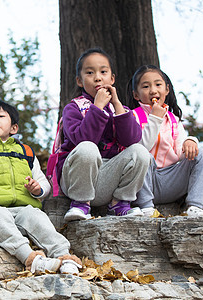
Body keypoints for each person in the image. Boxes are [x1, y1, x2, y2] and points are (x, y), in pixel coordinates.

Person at [0, 99, 82, 275]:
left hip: (21, 210)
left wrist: (37, 189)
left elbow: (43, 183)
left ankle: (64, 256)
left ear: (13, 128)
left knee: (35, 215)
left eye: (1, 116)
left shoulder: (25, 152)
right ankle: (31, 259)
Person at [57, 47, 151, 222]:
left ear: (112, 78)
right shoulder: (73, 108)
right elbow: (82, 140)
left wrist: (116, 105)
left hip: (106, 180)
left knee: (140, 151)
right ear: (80, 80)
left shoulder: (121, 110)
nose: (98, 77)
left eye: (103, 72)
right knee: (87, 148)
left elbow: (131, 139)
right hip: (77, 178)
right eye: (90, 73)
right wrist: (97, 108)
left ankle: (119, 203)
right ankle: (80, 204)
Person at [126, 65, 203, 217]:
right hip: (144, 182)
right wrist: (154, 118)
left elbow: (181, 152)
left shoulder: (174, 120)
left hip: (170, 180)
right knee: (142, 155)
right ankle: (147, 207)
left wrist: (190, 141)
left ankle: (194, 206)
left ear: (167, 90)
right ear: (136, 95)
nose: (153, 90)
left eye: (158, 84)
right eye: (146, 86)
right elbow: (139, 149)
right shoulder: (132, 116)